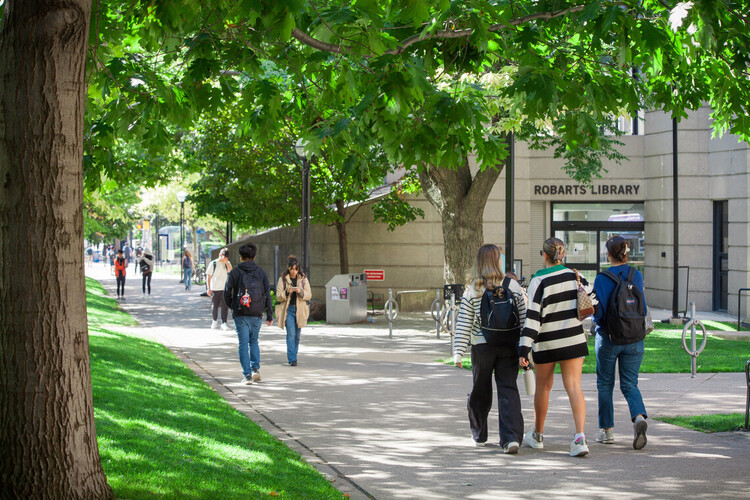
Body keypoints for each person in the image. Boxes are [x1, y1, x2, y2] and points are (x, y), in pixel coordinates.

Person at [518, 237, 591, 457]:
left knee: (543, 387)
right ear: (562, 255)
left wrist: (524, 348)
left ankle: (538, 435)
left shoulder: (538, 281)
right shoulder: (575, 276)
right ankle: (579, 438)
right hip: (573, 340)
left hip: (547, 342)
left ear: (544, 255)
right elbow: (590, 303)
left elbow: (532, 318)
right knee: (574, 387)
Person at [453, 244, 527, 453]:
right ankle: (511, 437)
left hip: (482, 346)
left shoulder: (474, 289)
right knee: (508, 389)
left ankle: (479, 434)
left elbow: (464, 323)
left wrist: (458, 351)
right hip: (508, 345)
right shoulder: (512, 286)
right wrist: (525, 348)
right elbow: (523, 318)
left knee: (481, 388)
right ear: (497, 261)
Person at [592, 235, 649, 449]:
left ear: (608, 254)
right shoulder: (637, 275)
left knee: (605, 384)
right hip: (635, 338)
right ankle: (638, 417)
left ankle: (606, 431)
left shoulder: (602, 278)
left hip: (609, 338)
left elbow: (599, 312)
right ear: (627, 253)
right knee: (630, 383)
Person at [223, 243, 273, 385]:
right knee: (254, 341)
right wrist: (269, 314)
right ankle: (255, 369)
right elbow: (267, 295)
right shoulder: (261, 273)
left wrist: (234, 306)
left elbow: (227, 293)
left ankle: (247, 375)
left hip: (241, 313)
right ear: (254, 256)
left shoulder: (234, 273)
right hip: (256, 313)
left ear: (240, 257)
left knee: (243, 344)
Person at [275, 256, 312, 366]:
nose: (293, 271)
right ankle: (292, 359)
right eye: (292, 269)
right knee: (291, 334)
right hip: (289, 310)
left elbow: (309, 295)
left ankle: (294, 355)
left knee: (297, 336)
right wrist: (287, 292)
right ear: (288, 268)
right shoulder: (283, 279)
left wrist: (300, 291)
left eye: (296, 269)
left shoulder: (303, 279)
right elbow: (278, 297)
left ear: (298, 269)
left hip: (300, 310)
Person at [207, 248, 233, 330]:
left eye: (226, 257)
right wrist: (208, 288)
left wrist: (226, 263)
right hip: (214, 288)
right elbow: (208, 276)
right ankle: (214, 321)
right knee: (215, 306)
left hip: (224, 289)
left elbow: (231, 272)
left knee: (224, 306)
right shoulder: (213, 263)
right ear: (220, 255)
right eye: (223, 256)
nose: (224, 258)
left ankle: (224, 323)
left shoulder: (227, 263)